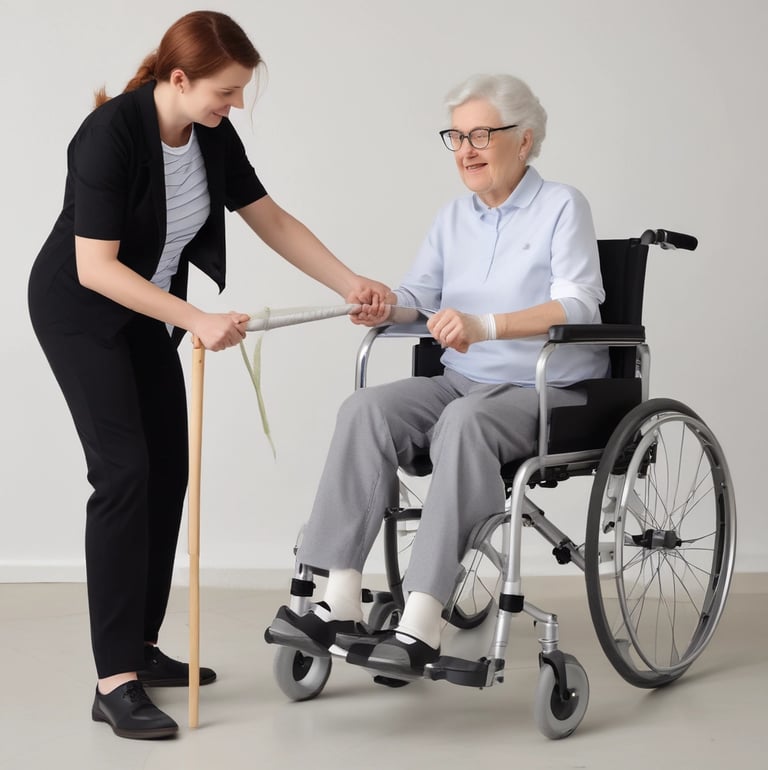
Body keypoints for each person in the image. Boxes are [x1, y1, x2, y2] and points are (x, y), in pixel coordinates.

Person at [27, 10, 388, 740]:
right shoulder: (111, 136)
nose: (236, 106)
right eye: (226, 91)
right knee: (124, 474)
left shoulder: (212, 136)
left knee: (167, 475)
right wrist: (194, 319)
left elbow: (271, 219)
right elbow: (94, 268)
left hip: (148, 313)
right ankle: (114, 681)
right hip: (82, 314)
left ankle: (141, 646)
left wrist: (349, 282)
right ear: (180, 78)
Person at [267, 74, 609, 679]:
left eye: (482, 134)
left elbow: (579, 304)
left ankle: (422, 617)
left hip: (543, 388)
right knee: (364, 409)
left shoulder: (562, 205)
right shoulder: (453, 218)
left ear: (524, 139)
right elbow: (417, 301)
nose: (467, 149)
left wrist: (488, 325)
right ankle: (341, 595)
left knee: (464, 421)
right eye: (456, 136)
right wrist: (382, 305)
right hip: (462, 380)